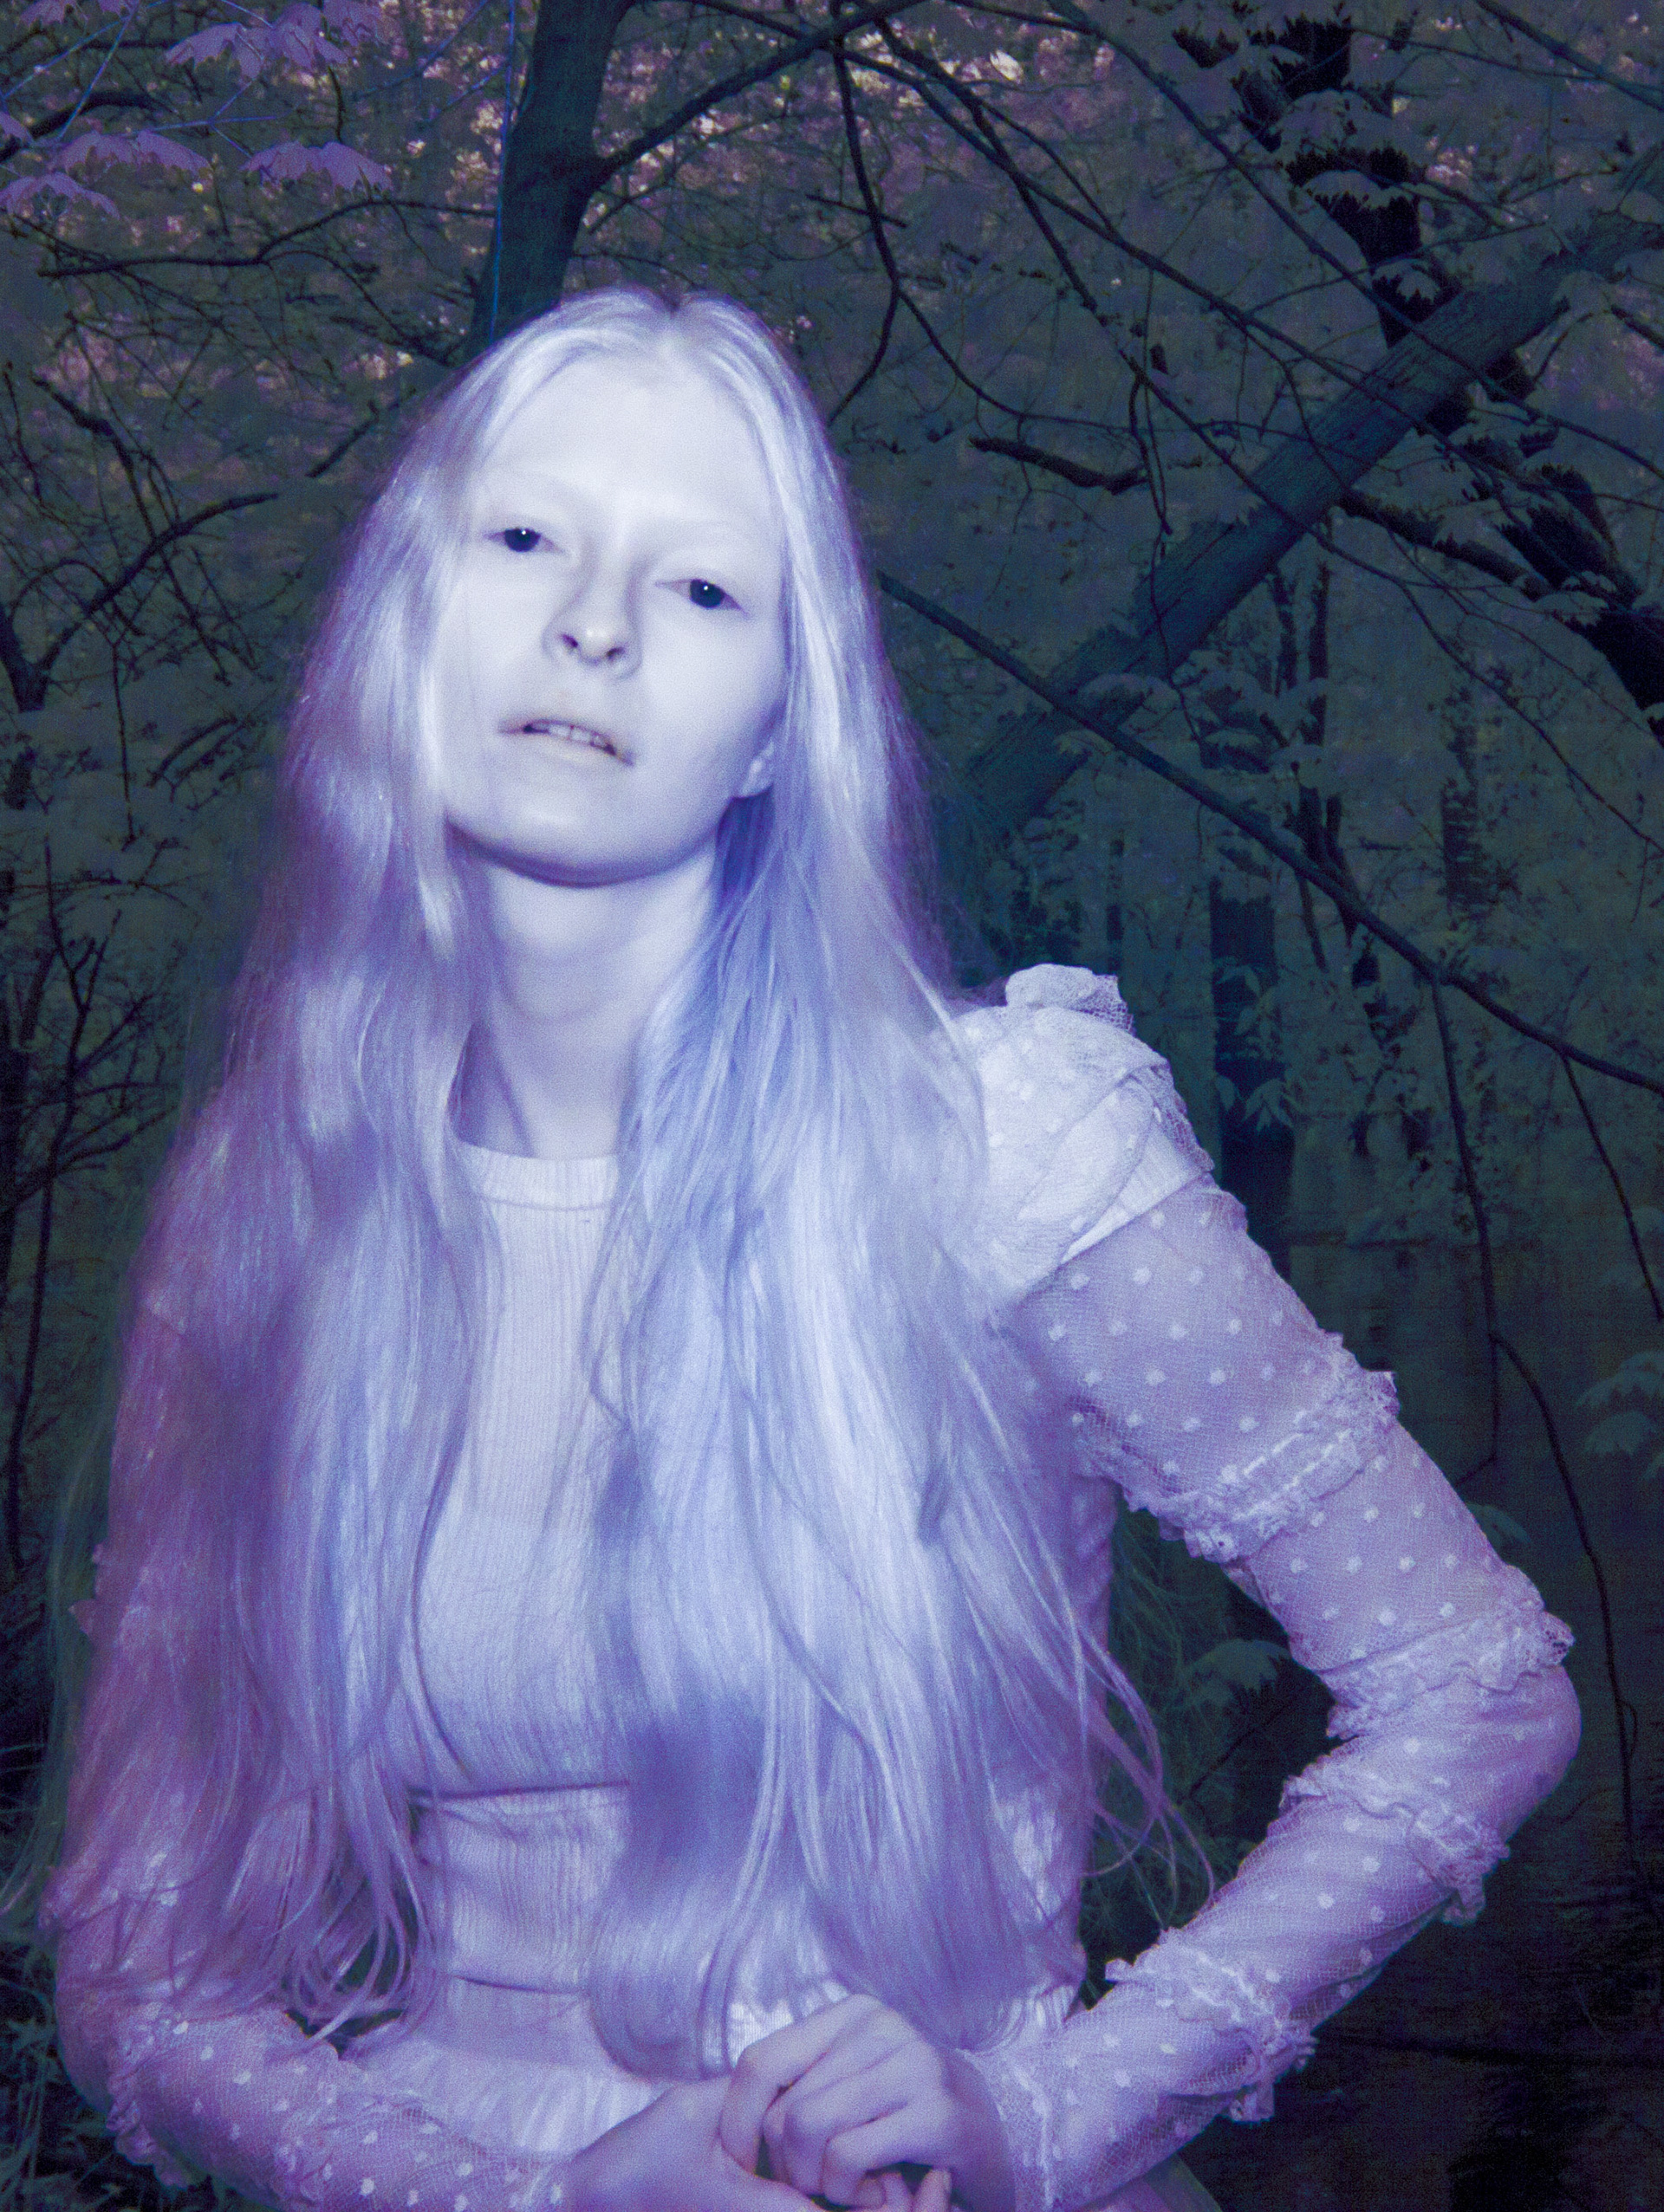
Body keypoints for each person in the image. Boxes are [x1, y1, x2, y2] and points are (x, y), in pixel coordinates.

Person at [26, 287, 1579, 2212]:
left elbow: (1476, 1683)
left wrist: (1052, 2114)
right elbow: (141, 1970)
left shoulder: (1005, 1150)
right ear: (404, 619)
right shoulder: (269, 1208)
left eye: (700, 588)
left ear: (778, 729)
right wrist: (521, 2201)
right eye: (526, 537)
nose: (595, 622)